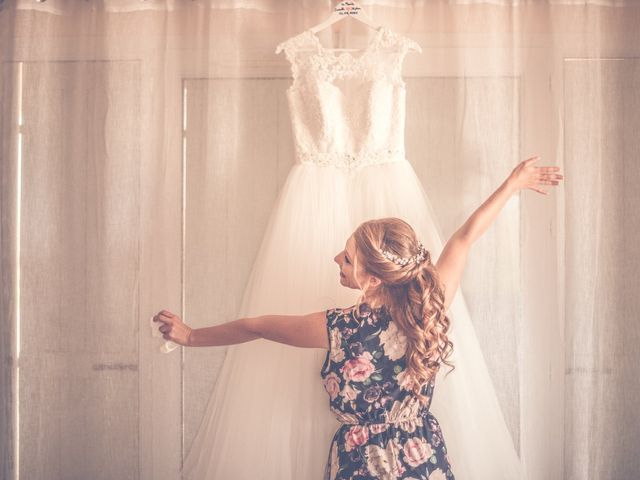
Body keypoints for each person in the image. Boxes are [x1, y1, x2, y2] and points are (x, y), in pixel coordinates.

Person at [153, 156, 563, 479]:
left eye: (347, 258)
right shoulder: (429, 303)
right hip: (421, 454)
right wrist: (512, 185)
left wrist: (191, 337)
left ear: (370, 279)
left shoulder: (336, 329)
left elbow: (255, 326)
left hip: (358, 462)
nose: (336, 259)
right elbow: (465, 237)